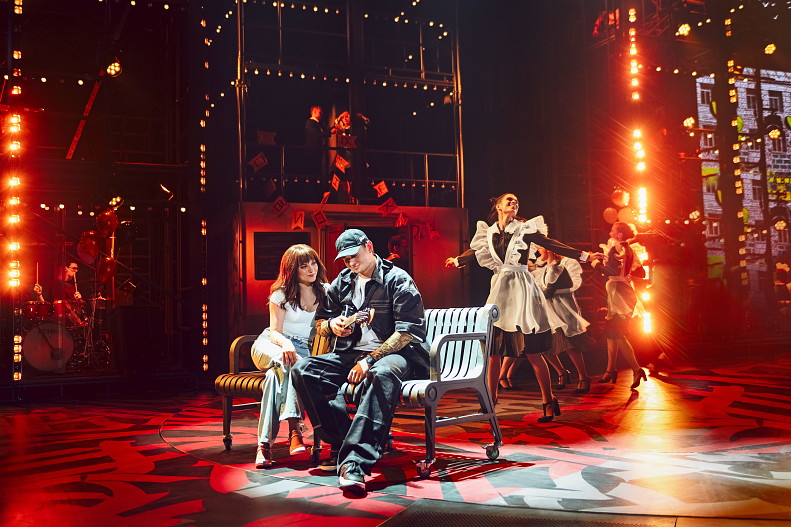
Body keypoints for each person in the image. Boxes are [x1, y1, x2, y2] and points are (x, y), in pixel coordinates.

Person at [292, 228, 428, 492]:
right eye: (345, 259)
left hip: (396, 356)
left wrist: (370, 360)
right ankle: (344, 440)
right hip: (350, 354)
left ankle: (355, 462)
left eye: (354, 255)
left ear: (369, 247)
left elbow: (408, 332)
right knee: (303, 369)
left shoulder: (397, 279)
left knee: (381, 373)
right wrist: (332, 325)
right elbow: (320, 322)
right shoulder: (343, 281)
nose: (351, 263)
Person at [445, 193, 600, 423]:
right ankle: (490, 403)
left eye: (517, 200)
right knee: (494, 352)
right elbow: (476, 251)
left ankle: (548, 400)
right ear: (498, 206)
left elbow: (551, 244)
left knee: (532, 351)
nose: (514, 202)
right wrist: (458, 260)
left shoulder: (525, 229)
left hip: (522, 290)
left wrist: (586, 256)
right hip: (500, 290)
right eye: (509, 200)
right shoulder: (489, 232)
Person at [251, 244, 328, 468]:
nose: (311, 269)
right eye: (304, 266)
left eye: (313, 263)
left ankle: (263, 445)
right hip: (272, 344)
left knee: (273, 378)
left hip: (302, 350)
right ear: (293, 270)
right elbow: (275, 332)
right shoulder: (281, 294)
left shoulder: (326, 290)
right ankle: (295, 428)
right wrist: (286, 344)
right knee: (290, 363)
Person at [590, 222, 647, 389]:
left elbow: (612, 272)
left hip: (619, 293)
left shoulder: (617, 248)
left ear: (619, 234)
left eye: (612, 230)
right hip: (622, 291)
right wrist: (625, 270)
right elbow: (641, 272)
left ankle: (636, 369)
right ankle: (610, 369)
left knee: (618, 333)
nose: (610, 233)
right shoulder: (626, 249)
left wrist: (596, 264)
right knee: (611, 333)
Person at [532, 245, 592, 395]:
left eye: (541, 248)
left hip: (563, 311)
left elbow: (548, 292)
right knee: (545, 346)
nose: (539, 251)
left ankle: (583, 377)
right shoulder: (546, 268)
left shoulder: (557, 268)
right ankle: (562, 372)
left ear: (549, 250)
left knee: (571, 345)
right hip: (551, 312)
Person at [33, 259, 85, 326]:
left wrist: (79, 300)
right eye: (74, 268)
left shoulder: (72, 288)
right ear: (65, 268)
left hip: (71, 323)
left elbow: (79, 310)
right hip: (56, 323)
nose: (76, 271)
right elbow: (44, 307)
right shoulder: (51, 285)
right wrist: (39, 294)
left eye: (77, 269)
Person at [304, 105, 328, 178]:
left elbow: (325, 131)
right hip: (313, 151)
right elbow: (317, 134)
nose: (321, 114)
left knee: (318, 169)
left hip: (317, 150)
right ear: (314, 112)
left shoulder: (317, 123)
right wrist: (329, 133)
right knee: (314, 170)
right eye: (320, 112)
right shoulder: (310, 123)